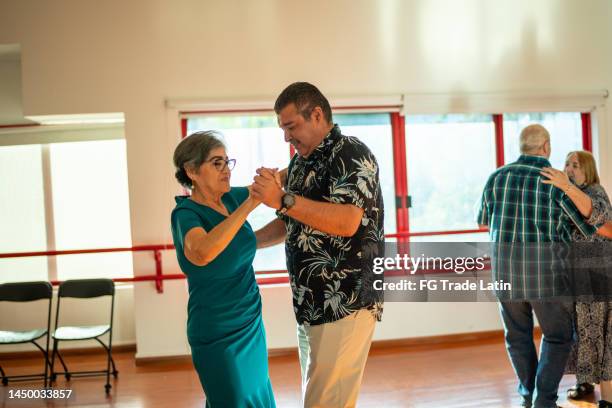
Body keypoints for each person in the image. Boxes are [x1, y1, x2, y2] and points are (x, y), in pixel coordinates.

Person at [252, 82, 384, 408]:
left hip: (346, 301)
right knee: (318, 397)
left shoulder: (353, 154)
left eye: (291, 126)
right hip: (310, 304)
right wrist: (245, 242)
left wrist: (282, 198)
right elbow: (292, 219)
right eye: (282, 129)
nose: (286, 137)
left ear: (316, 114)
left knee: (325, 402)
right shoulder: (301, 162)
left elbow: (346, 222)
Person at [477, 124, 597, 408]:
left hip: (506, 274)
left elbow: (483, 220)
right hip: (547, 276)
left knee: (517, 337)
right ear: (546, 147)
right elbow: (585, 226)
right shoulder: (554, 182)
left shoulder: (496, 177)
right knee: (558, 337)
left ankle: (527, 397)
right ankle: (543, 400)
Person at [170, 131, 276, 408]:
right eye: (217, 163)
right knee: (233, 399)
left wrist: (299, 164)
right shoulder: (186, 214)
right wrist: (250, 205)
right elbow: (202, 251)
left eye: (228, 162)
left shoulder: (229, 199)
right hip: (218, 331)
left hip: (250, 322)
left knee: (257, 395)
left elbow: (279, 181)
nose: (226, 170)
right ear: (191, 171)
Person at [540, 150, 612, 408]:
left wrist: (567, 186)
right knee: (579, 334)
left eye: (576, 165)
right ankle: (585, 382)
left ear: (588, 170)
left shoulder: (595, 192)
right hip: (571, 275)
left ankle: (608, 397)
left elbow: (598, 218)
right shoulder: (566, 194)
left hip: (596, 276)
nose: (569, 168)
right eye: (567, 164)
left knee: (597, 334)